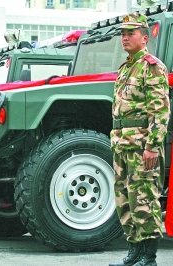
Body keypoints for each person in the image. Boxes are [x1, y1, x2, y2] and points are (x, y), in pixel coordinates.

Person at [109, 13, 170, 266]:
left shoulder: (152, 66)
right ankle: (134, 253)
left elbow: (160, 110)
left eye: (130, 33)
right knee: (125, 200)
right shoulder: (126, 67)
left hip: (142, 147)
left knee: (144, 199)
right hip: (122, 144)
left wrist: (153, 147)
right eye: (123, 34)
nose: (125, 37)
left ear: (144, 38)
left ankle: (149, 256)